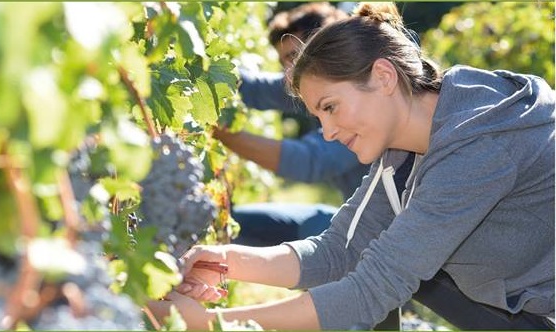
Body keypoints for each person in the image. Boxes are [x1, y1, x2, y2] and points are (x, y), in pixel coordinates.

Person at [149, 2, 555, 330]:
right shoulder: (403, 150)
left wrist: (210, 323)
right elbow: (337, 251)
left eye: (330, 107)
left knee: (394, 273)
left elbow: (369, 290)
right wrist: (221, 261)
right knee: (390, 259)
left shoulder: (477, 145)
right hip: (520, 307)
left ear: (383, 76)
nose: (326, 131)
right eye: (318, 115)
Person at [216, 2, 372, 246]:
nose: (289, 74)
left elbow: (309, 161)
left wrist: (224, 135)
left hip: (382, 237)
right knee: (228, 223)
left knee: (318, 229)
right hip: (356, 220)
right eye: (283, 63)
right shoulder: (305, 83)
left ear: (327, 47)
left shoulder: (359, 97)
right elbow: (255, 88)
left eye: (293, 57)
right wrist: (200, 69)